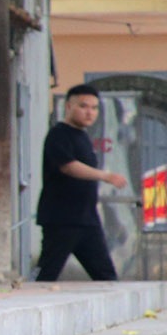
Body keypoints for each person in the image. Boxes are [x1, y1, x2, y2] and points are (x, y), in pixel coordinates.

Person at [35, 83, 126, 281]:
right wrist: (105, 176)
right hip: (62, 219)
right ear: (68, 106)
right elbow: (68, 166)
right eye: (83, 106)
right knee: (46, 274)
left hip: (87, 220)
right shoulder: (58, 135)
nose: (90, 113)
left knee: (107, 277)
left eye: (94, 108)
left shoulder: (83, 137)